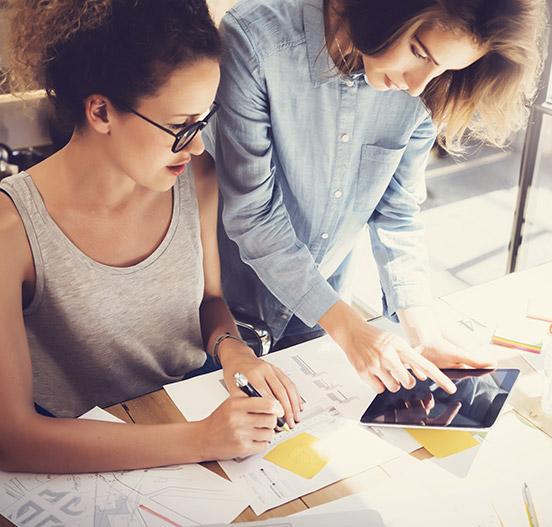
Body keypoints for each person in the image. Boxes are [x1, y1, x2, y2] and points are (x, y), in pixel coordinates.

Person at [0, 0, 302, 474]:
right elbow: (13, 439)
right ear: (100, 111)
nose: (198, 145)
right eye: (181, 127)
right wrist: (202, 440)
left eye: (203, 122)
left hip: (193, 407)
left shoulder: (194, 175)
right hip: (84, 451)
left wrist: (233, 349)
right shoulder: (11, 228)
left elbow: (208, 300)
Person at [210, 0, 548, 398]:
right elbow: (253, 214)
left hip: (320, 319)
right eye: (420, 53)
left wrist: (422, 331)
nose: (417, 84)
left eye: (441, 68)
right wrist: (350, 328)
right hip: (221, 315)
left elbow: (397, 211)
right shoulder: (255, 41)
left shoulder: (426, 89)